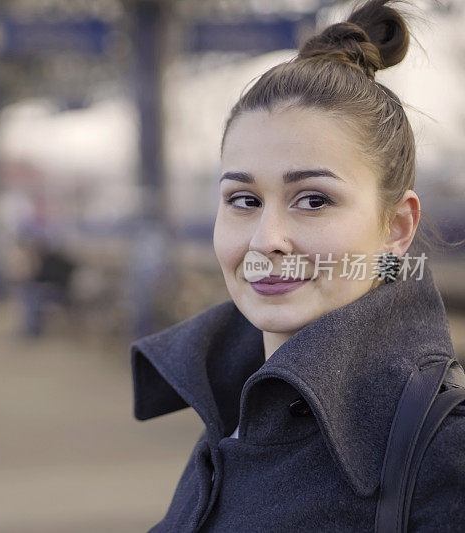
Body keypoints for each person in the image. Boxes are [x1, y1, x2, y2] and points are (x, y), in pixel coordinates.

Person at [130, 1, 465, 530]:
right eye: (243, 200)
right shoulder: (231, 410)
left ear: (398, 227)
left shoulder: (443, 456)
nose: (267, 240)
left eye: (313, 200)